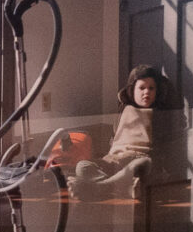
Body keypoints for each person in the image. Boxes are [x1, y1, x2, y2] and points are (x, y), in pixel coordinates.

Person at [72, 68, 170, 199]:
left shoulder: (157, 113)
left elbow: (164, 142)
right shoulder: (124, 109)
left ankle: (99, 187)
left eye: (151, 88)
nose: (146, 92)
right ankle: (121, 187)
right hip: (115, 160)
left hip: (139, 159)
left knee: (143, 164)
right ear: (132, 90)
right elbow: (115, 137)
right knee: (82, 166)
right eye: (141, 88)